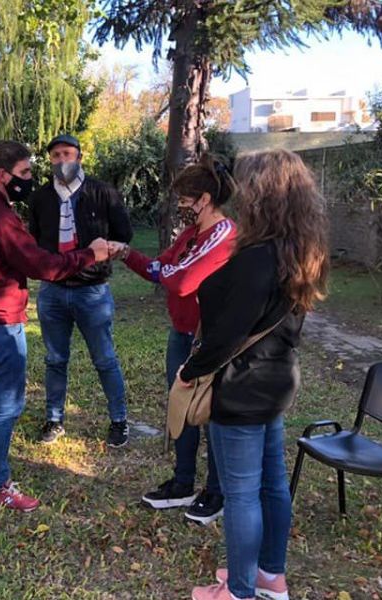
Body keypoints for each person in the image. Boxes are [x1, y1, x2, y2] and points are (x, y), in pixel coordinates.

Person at [185, 149, 329, 600]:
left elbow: (227, 333)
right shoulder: (304, 252)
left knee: (242, 494)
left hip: (241, 387)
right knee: (271, 484)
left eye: (248, 186)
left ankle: (241, 591)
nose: (240, 193)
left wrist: (191, 371)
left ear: (262, 195)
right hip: (276, 382)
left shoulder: (256, 257)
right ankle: (271, 576)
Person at [0, 140, 112, 511]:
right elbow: (43, 266)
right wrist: (91, 254)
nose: (32, 179)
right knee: (6, 405)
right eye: (25, 173)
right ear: (3, 175)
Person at [114, 155, 236, 525]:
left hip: (211, 339)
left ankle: (216, 491)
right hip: (181, 333)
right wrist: (125, 254)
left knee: (210, 413)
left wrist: (167, 270)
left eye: (186, 199)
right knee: (180, 409)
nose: (181, 206)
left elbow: (182, 280)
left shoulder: (223, 234)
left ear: (205, 198)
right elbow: (160, 269)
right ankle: (183, 482)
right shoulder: (192, 234)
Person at [28, 134, 134, 447]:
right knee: (55, 359)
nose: (62, 161)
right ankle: (54, 419)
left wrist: (105, 252)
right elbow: (34, 238)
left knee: (104, 358)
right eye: (56, 155)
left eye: (68, 154)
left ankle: (118, 420)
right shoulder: (41, 197)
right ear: (49, 159)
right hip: (53, 291)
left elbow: (124, 232)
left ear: (80, 157)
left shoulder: (102, 192)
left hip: (92, 290)